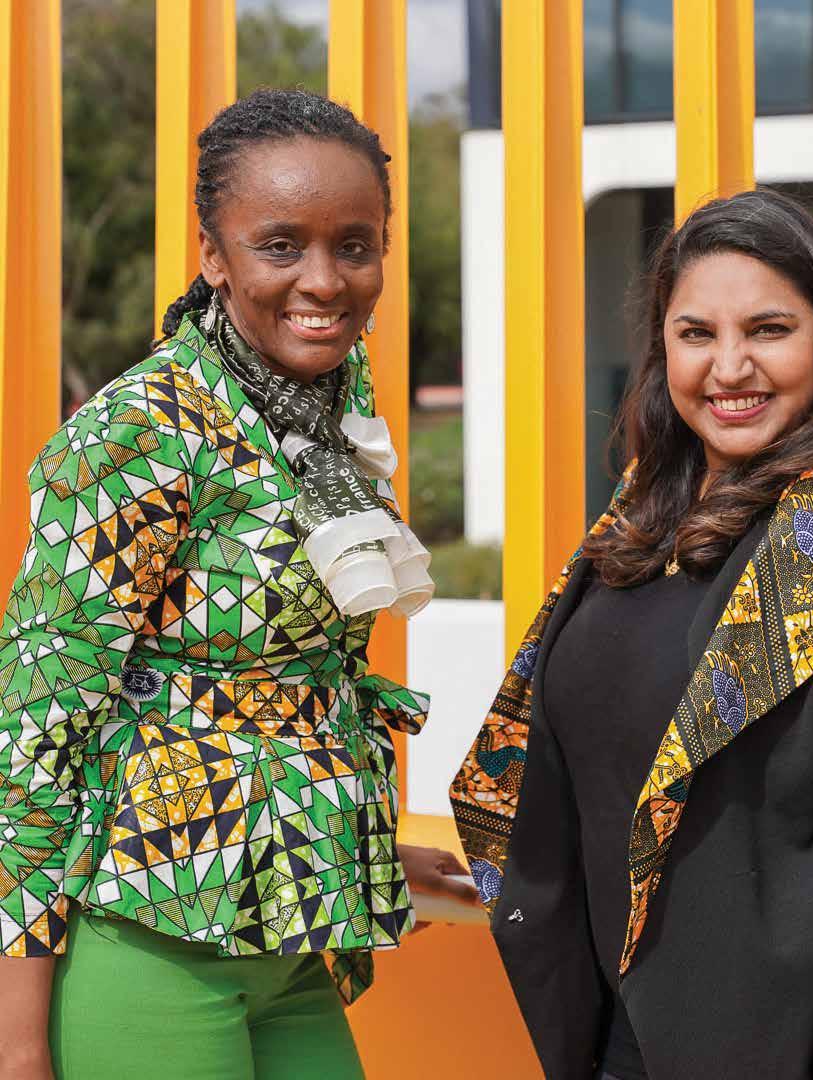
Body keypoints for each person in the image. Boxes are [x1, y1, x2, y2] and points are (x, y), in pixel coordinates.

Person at [0, 88, 476, 1080]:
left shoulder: (327, 409)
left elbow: (289, 687)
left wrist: (365, 849)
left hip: (289, 928)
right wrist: (17, 1040)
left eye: (355, 246)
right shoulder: (142, 428)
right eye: (280, 245)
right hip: (147, 936)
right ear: (214, 256)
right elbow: (38, 733)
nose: (324, 280)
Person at [451, 190, 813, 1079]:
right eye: (696, 333)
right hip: (621, 1040)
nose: (729, 367)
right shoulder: (645, 513)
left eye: (769, 329)